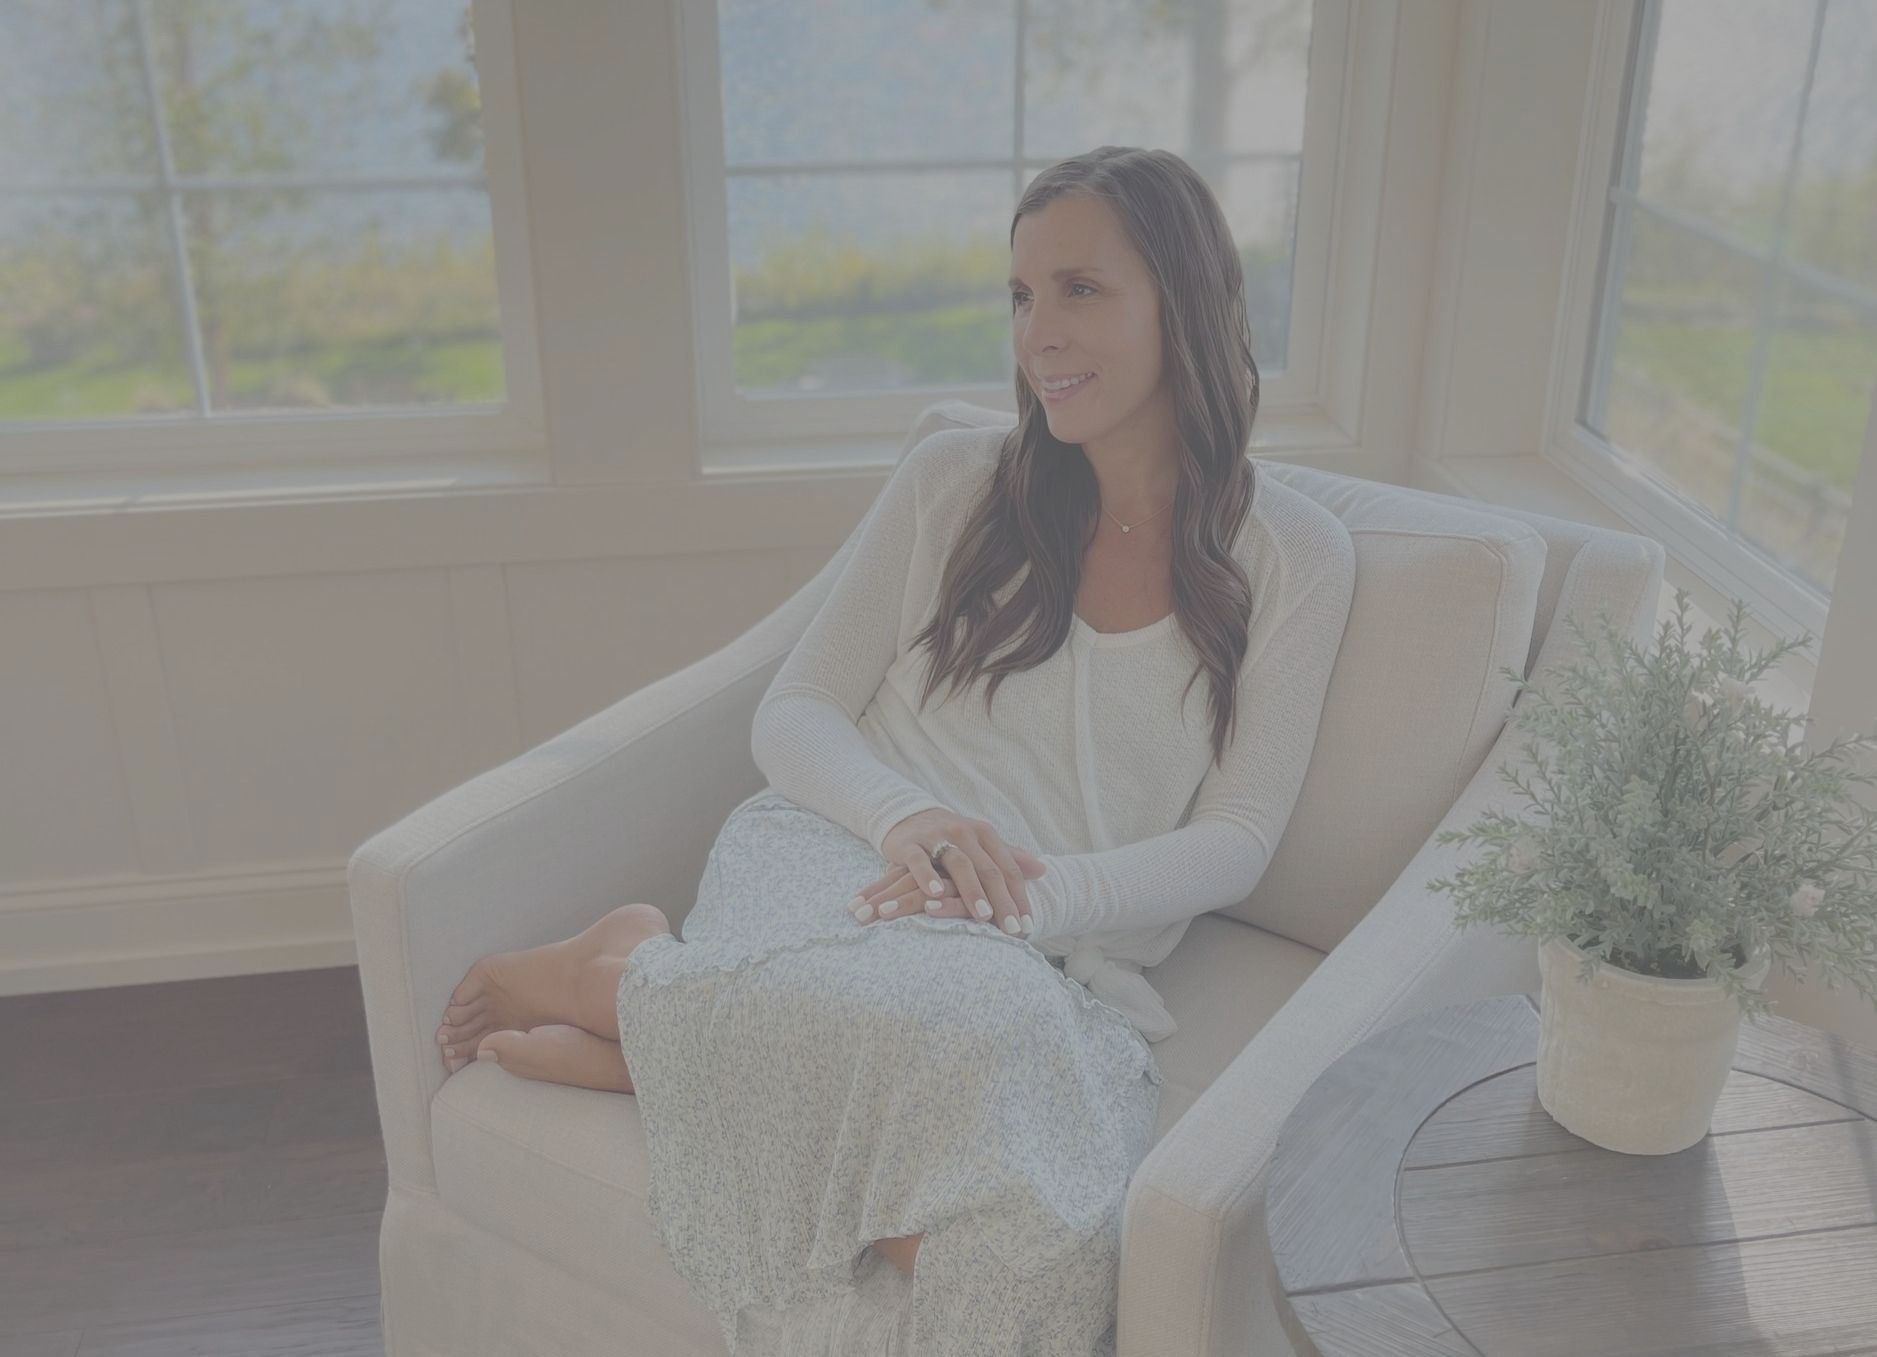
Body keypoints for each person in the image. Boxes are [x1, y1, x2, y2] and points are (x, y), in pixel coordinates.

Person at [430, 146, 1357, 1355]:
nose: (1038, 334)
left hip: (1033, 953)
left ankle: (642, 1009)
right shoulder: (955, 481)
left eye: (1078, 289)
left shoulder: (1294, 555)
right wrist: (905, 822)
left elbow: (1237, 835)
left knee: (1048, 1243)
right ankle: (633, 993)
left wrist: (1030, 899)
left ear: (1181, 300)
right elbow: (794, 710)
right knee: (965, 1074)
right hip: (837, 856)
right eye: (1021, 296)